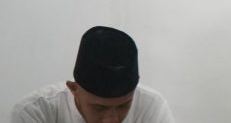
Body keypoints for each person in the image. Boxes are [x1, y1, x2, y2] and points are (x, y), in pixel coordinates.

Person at [10, 26, 175, 123]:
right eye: (99, 108)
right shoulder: (34, 113)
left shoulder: (152, 108)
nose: (112, 119)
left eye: (124, 106)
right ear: (74, 89)